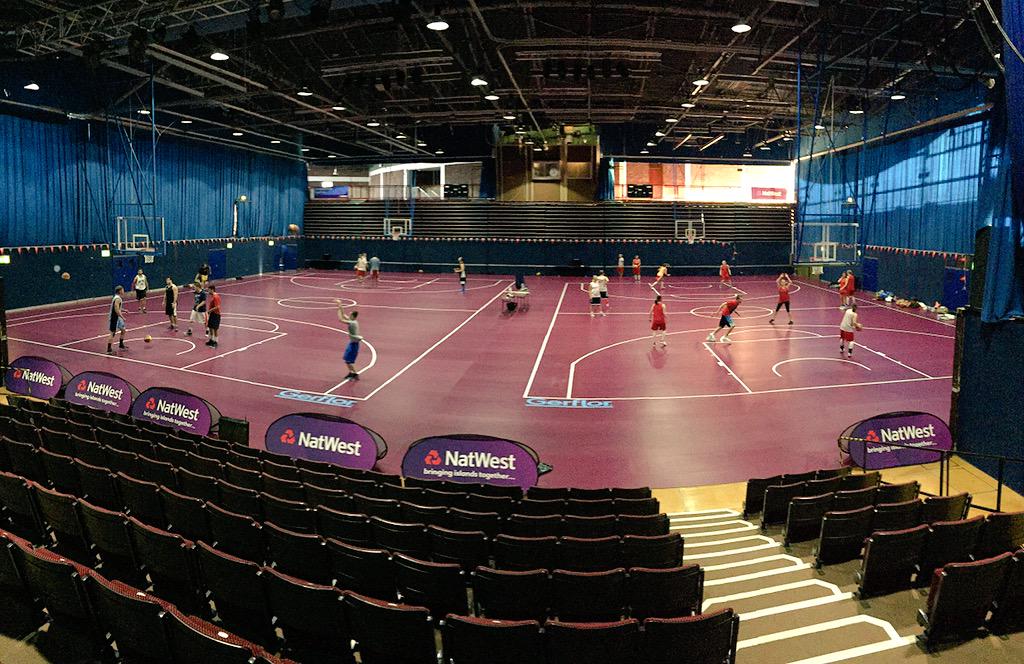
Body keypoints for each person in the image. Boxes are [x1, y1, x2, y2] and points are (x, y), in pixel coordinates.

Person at [336, 300, 363, 379]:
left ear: (353, 316)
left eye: (350, 315)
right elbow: (343, 315)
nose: (349, 315)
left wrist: (339, 305)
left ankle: (355, 373)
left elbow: (341, 319)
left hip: (354, 344)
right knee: (346, 359)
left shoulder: (352, 323)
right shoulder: (353, 321)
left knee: (348, 360)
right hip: (352, 343)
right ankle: (352, 372)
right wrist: (339, 306)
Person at [106, 286, 127, 354]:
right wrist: (122, 316)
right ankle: (109, 350)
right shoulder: (117, 299)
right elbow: (116, 309)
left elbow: (118, 307)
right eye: (122, 290)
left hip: (118, 317)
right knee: (112, 333)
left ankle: (121, 344)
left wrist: (123, 310)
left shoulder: (118, 298)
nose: (124, 291)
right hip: (114, 317)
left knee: (123, 330)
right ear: (120, 291)